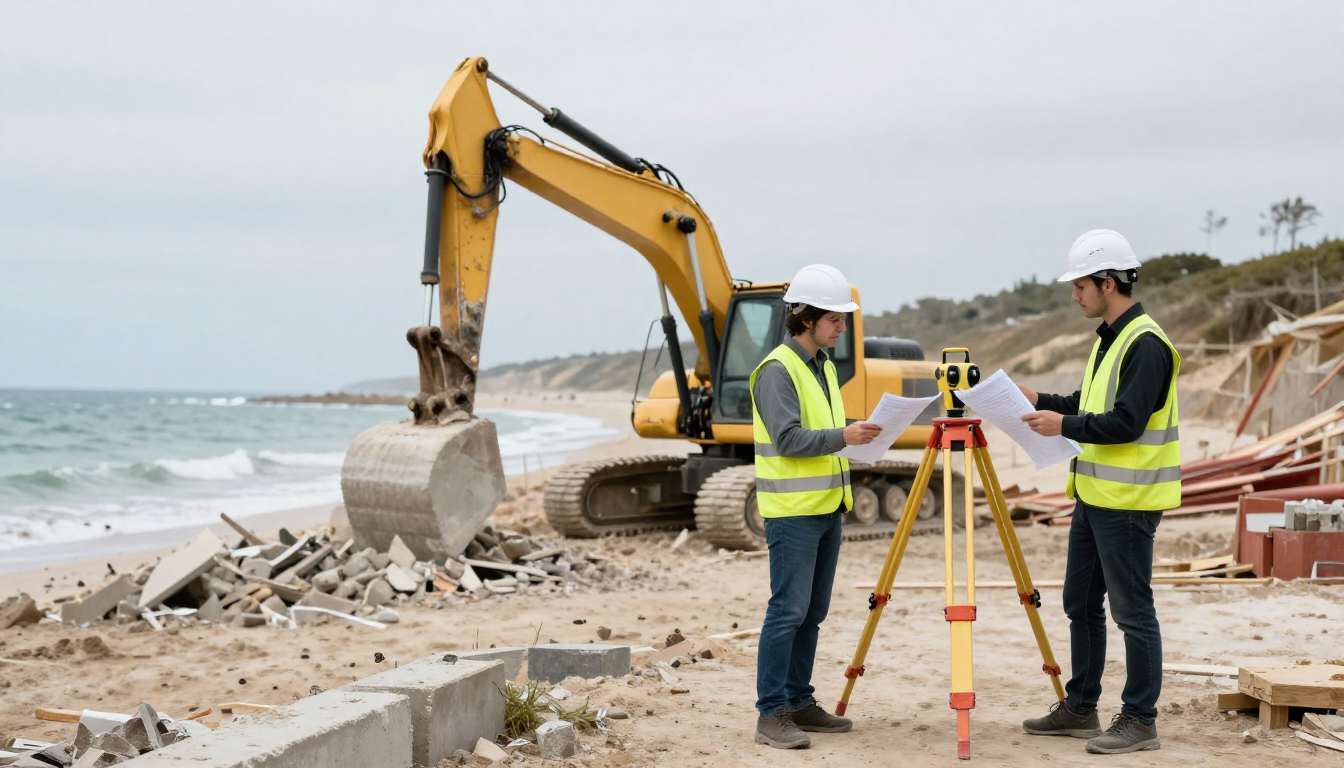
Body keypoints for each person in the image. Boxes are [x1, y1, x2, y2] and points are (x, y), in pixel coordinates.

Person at [1017, 229, 1179, 755]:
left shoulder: (1146, 344)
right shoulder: (1109, 339)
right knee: (1079, 603)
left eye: (1080, 286)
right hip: (1094, 498)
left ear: (1107, 282)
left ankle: (1139, 720)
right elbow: (1089, 403)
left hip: (1128, 505)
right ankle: (1081, 707)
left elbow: (1126, 423)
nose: (1074, 296)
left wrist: (1062, 425)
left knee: (1133, 611)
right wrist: (1038, 398)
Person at [750, 264, 883, 749]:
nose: (843, 327)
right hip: (793, 514)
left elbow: (820, 425)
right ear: (805, 317)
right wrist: (842, 435)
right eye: (836, 318)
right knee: (787, 611)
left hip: (827, 507)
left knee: (812, 613)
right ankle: (771, 714)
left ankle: (799, 701)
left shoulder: (822, 366)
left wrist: (854, 428)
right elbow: (787, 438)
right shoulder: (776, 371)